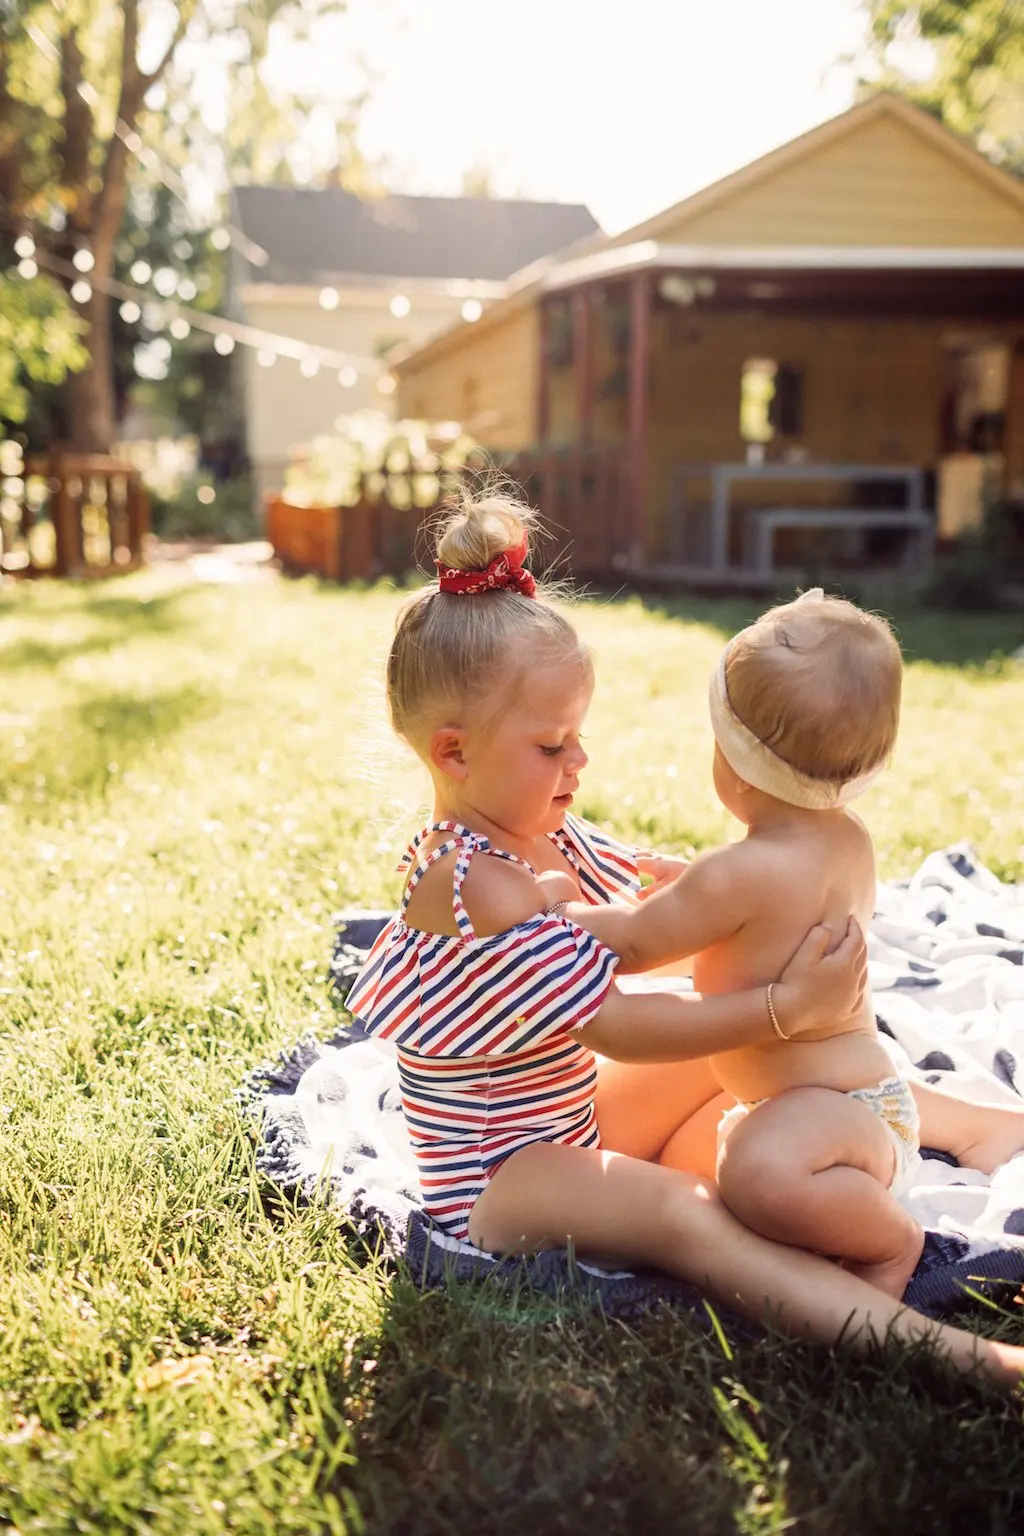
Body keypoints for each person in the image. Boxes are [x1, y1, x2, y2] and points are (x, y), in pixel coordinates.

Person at [347, 489, 1024, 1390]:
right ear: (454, 752)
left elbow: (645, 898)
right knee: (687, 1210)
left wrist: (738, 921)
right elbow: (618, 1025)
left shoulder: (536, 829)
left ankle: (963, 1122)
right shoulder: (471, 884)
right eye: (552, 746)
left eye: (578, 736)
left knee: (753, 1053)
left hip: (566, 1112)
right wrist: (780, 1008)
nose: (577, 763)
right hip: (499, 1176)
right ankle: (955, 1356)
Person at [569, 590, 923, 1298]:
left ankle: (890, 1245)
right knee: (737, 1165)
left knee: (752, 1168)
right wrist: (691, 901)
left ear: (732, 763)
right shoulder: (845, 839)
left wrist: (548, 914)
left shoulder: (738, 876)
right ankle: (830, 1218)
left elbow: (633, 946)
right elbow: (751, 932)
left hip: (836, 1118)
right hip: (857, 1103)